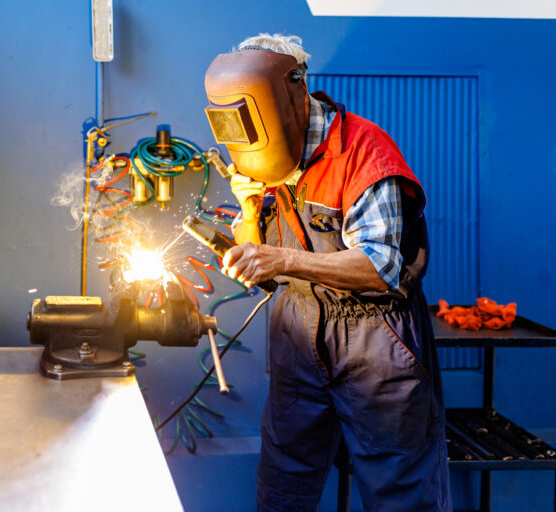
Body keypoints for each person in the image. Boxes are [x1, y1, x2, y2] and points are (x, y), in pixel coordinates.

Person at [204, 34, 451, 511]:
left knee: (401, 488)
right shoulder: (264, 151)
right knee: (283, 483)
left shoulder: (365, 152)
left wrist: (284, 260)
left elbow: (382, 266)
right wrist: (249, 207)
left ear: (294, 89)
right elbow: (266, 273)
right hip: (298, 330)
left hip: (374, 341)